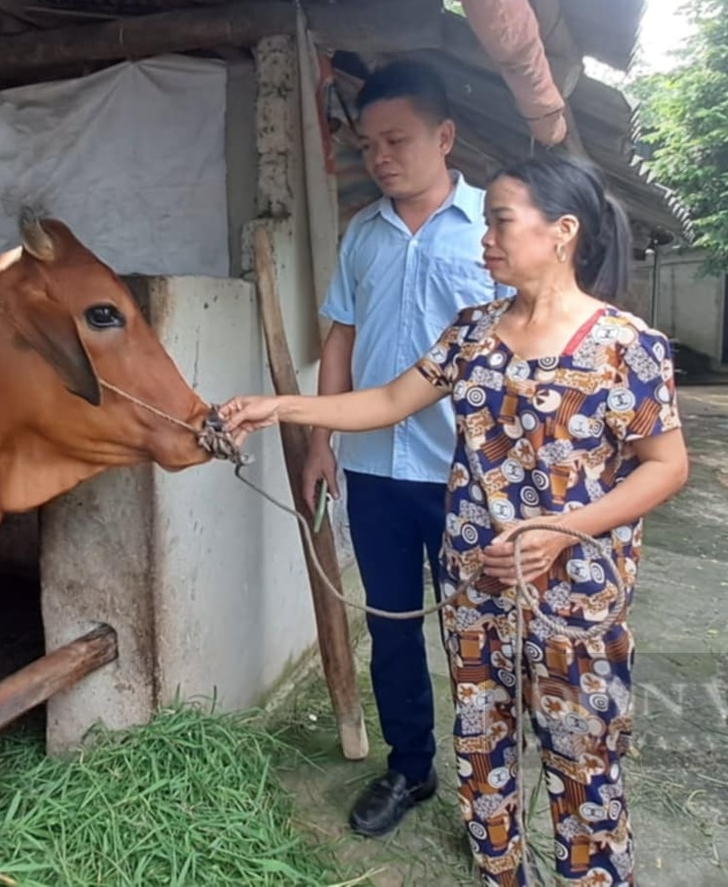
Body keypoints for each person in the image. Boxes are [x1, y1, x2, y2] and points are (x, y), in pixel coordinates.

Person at [223, 156, 690, 886]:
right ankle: (499, 868)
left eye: (501, 221)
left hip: (575, 597)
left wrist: (561, 531)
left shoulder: (627, 347)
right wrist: (278, 406)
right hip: (476, 583)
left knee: (581, 759)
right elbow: (382, 402)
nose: (487, 240)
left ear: (561, 232)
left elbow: (667, 465)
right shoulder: (473, 332)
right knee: (481, 737)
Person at [310, 59, 506, 838]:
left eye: (397, 139)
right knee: (391, 625)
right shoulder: (363, 232)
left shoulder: (496, 225)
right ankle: (408, 768)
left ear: (445, 135)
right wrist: (319, 437)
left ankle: (487, 786)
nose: (380, 157)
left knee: (479, 633)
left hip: (470, 473)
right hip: (372, 468)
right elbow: (341, 333)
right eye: (368, 144)